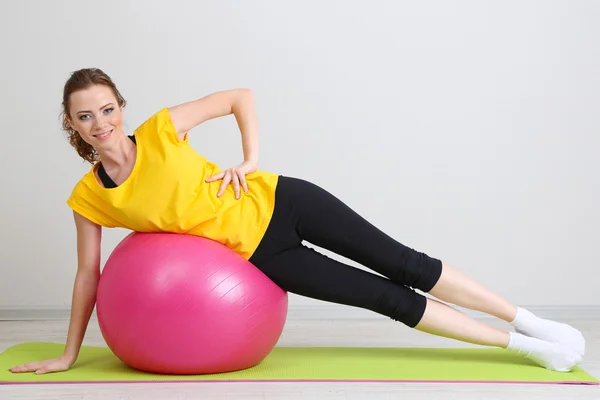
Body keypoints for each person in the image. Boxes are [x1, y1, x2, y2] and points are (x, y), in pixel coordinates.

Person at [10, 68, 585, 376]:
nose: (101, 122)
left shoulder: (162, 128)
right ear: (72, 124)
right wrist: (68, 353)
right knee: (389, 299)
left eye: (108, 109)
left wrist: (250, 159)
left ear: (121, 107)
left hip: (288, 202)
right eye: (86, 116)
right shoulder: (90, 198)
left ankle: (527, 320)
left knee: (408, 264)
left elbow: (240, 94)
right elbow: (89, 276)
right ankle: (518, 347)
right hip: (265, 257)